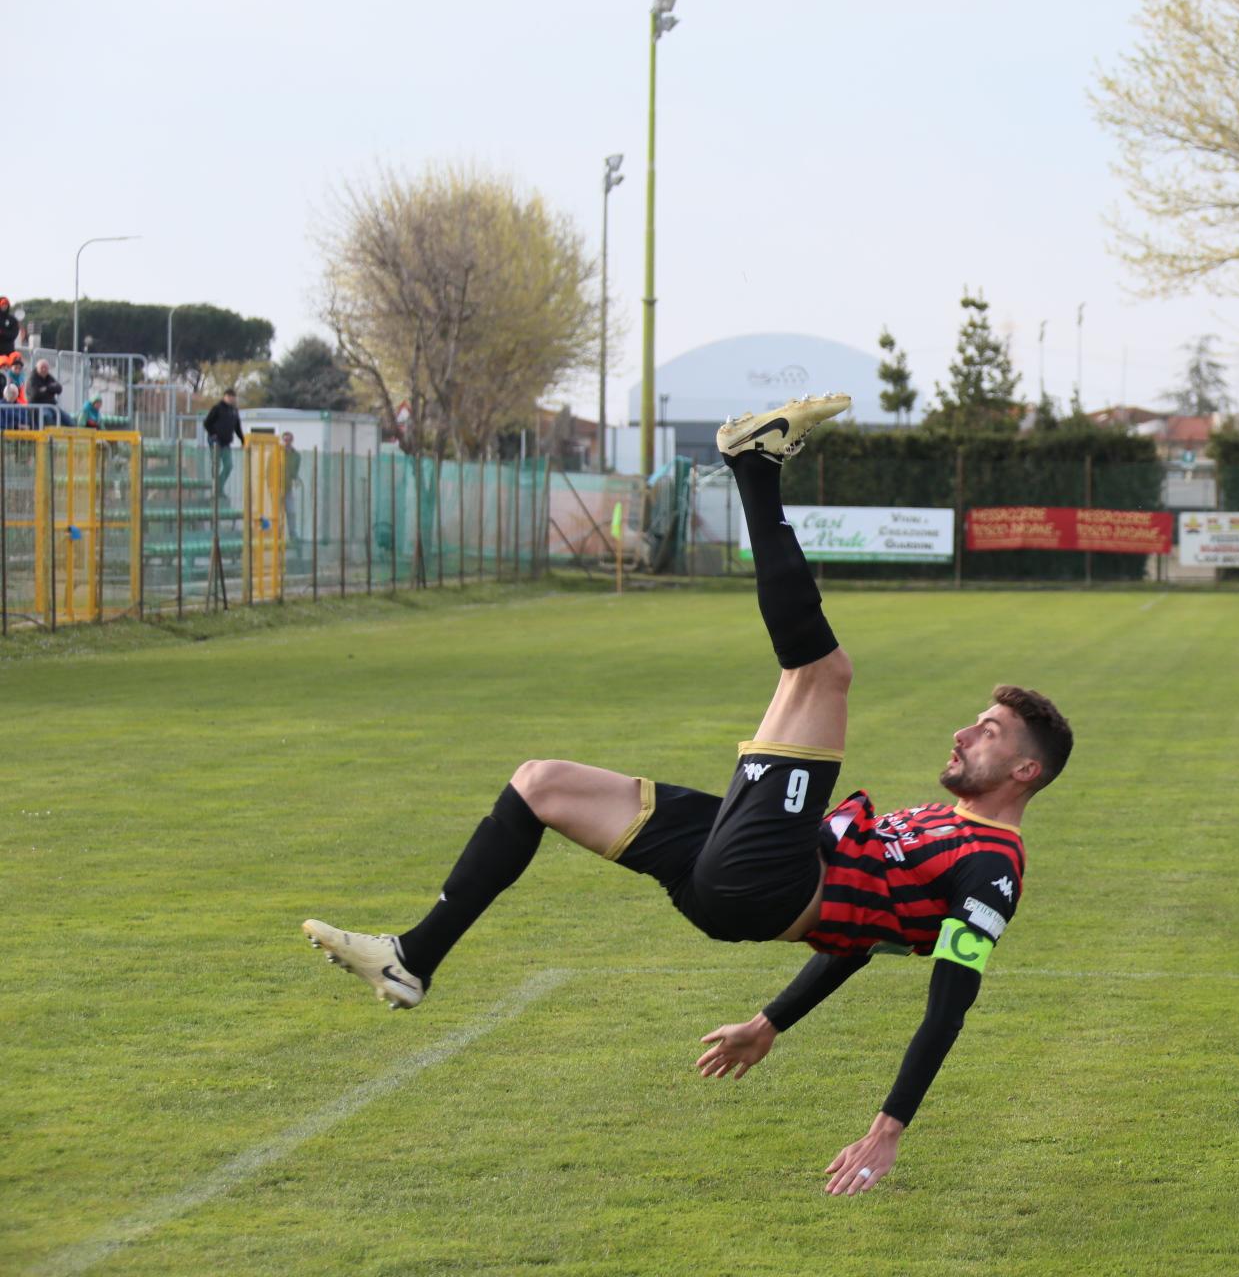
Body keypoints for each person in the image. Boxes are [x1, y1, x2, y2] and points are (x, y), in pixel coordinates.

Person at [303, 392, 1072, 1196]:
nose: (964, 732)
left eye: (990, 732)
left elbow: (950, 999)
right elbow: (857, 940)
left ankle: (755, 465)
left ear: (1027, 772)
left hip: (765, 882)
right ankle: (412, 958)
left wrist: (887, 1130)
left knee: (822, 674)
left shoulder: (994, 869)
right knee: (539, 784)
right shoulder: (942, 824)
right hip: (732, 879)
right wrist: (768, 1023)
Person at [202, 389, 244, 503]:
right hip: (216, 441)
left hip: (226, 442)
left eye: (232, 397)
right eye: (229, 396)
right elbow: (207, 423)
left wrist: (242, 440)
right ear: (224, 396)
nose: (231, 399)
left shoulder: (234, 411)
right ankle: (215, 489)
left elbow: (237, 427)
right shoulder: (217, 408)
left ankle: (218, 487)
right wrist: (213, 434)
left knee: (228, 465)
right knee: (216, 465)